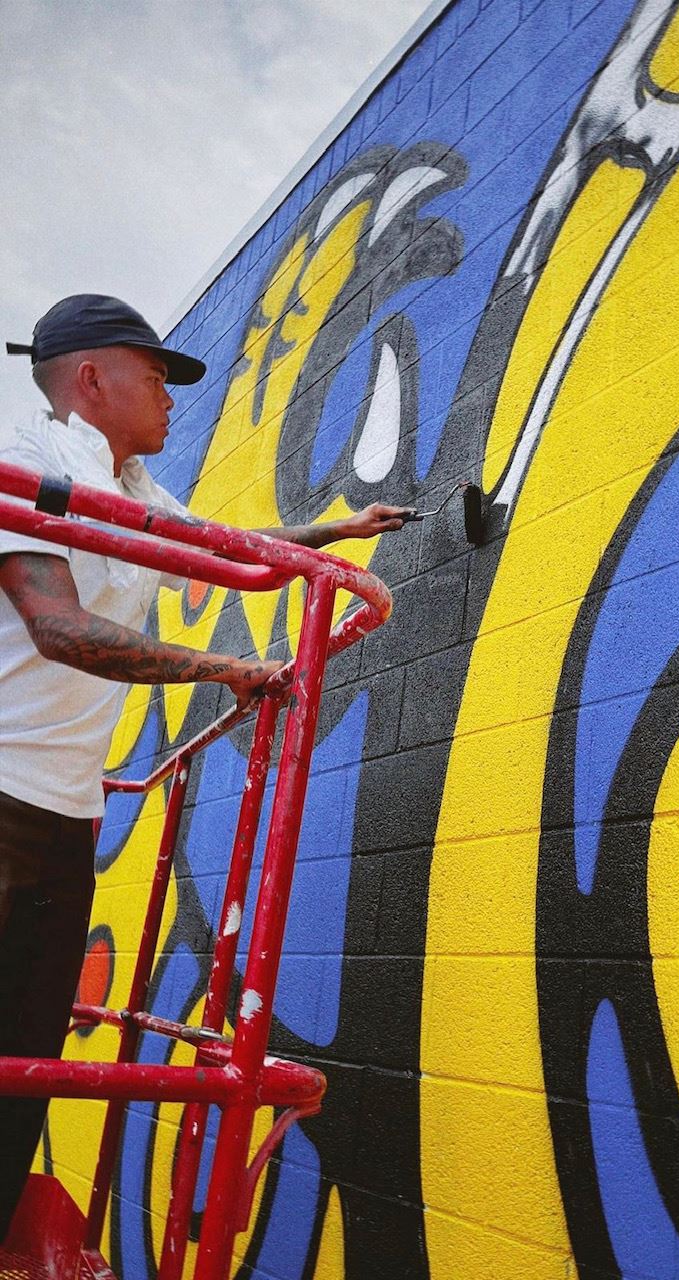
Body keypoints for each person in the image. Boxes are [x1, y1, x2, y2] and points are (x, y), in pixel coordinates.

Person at [0, 294, 410, 1240]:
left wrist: (336, 535)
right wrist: (226, 671)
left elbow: (227, 552)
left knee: (29, 1045)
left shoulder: (136, 488)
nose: (174, 398)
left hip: (64, 818)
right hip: (1, 797)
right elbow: (58, 629)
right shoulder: (30, 465)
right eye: (155, 376)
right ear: (90, 378)